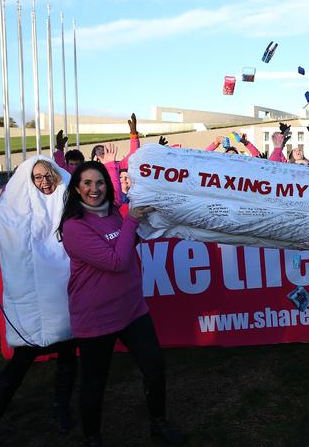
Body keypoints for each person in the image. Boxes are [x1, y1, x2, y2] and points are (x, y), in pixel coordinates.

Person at [57, 160, 186, 447]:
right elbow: (116, 261)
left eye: (100, 182)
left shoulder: (113, 213)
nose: (95, 189)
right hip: (96, 317)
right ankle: (93, 438)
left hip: (131, 309)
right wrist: (132, 221)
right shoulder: (74, 227)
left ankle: (158, 423)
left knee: (154, 366)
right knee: (95, 383)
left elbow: (126, 245)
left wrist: (152, 223)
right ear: (76, 189)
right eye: (87, 183)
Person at [0, 157, 77, 446]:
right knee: (18, 367)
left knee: (67, 359)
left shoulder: (70, 207)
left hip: (63, 303)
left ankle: (60, 408)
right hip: (32, 312)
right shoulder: (11, 214)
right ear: (29, 181)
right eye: (38, 177)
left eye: (49, 174)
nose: (45, 181)